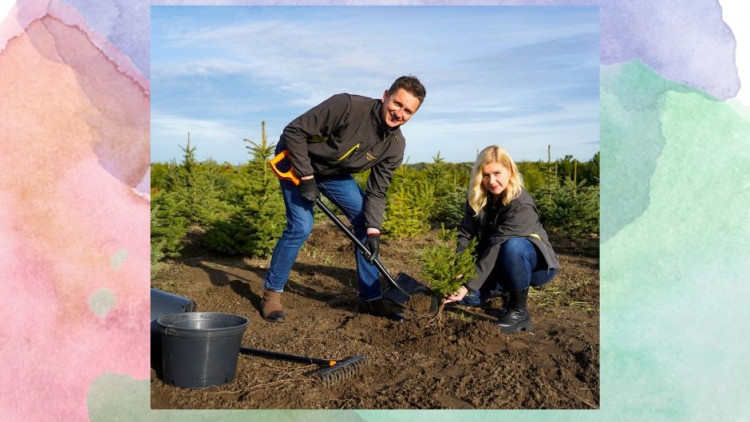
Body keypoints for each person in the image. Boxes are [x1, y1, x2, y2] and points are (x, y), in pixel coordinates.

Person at [261, 75, 426, 323]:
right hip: (297, 159)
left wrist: (373, 231)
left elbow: (377, 191)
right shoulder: (347, 106)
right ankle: (272, 292)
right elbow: (294, 131)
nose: (399, 113)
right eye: (397, 104)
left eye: (408, 111)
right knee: (301, 226)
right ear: (385, 96)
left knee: (364, 222)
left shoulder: (394, 145)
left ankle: (370, 299)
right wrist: (306, 178)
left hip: (335, 173)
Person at [443, 145, 559, 333]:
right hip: (497, 263)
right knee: (468, 298)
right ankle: (503, 288)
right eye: (486, 175)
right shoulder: (478, 197)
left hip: (536, 267)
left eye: (497, 173)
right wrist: (460, 268)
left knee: (513, 247)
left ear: (510, 171)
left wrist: (467, 284)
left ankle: (518, 312)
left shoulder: (522, 204)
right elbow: (466, 233)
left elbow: (497, 245)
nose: (492, 181)